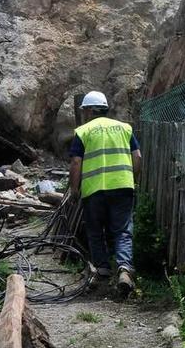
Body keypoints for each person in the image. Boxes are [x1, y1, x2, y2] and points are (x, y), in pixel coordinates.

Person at [68, 91, 141, 295]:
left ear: (90, 110)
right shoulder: (124, 128)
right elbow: (138, 156)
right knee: (123, 230)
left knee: (95, 230)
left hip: (95, 190)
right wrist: (132, 178)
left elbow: (76, 162)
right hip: (122, 187)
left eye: (84, 110)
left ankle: (102, 270)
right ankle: (125, 269)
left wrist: (75, 190)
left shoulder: (83, 131)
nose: (83, 114)